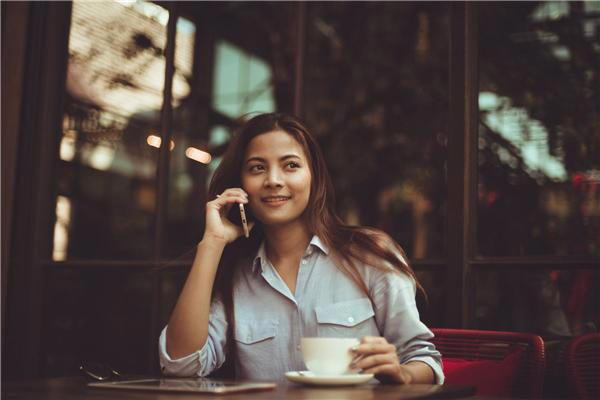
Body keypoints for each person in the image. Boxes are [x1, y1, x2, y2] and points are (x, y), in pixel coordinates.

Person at [159, 113, 444, 384]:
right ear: (242, 184)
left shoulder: (369, 255)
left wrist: (402, 374)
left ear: (314, 177)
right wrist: (211, 244)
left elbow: (424, 360)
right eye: (257, 167)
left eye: (291, 165)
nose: (273, 180)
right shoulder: (236, 276)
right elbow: (180, 365)